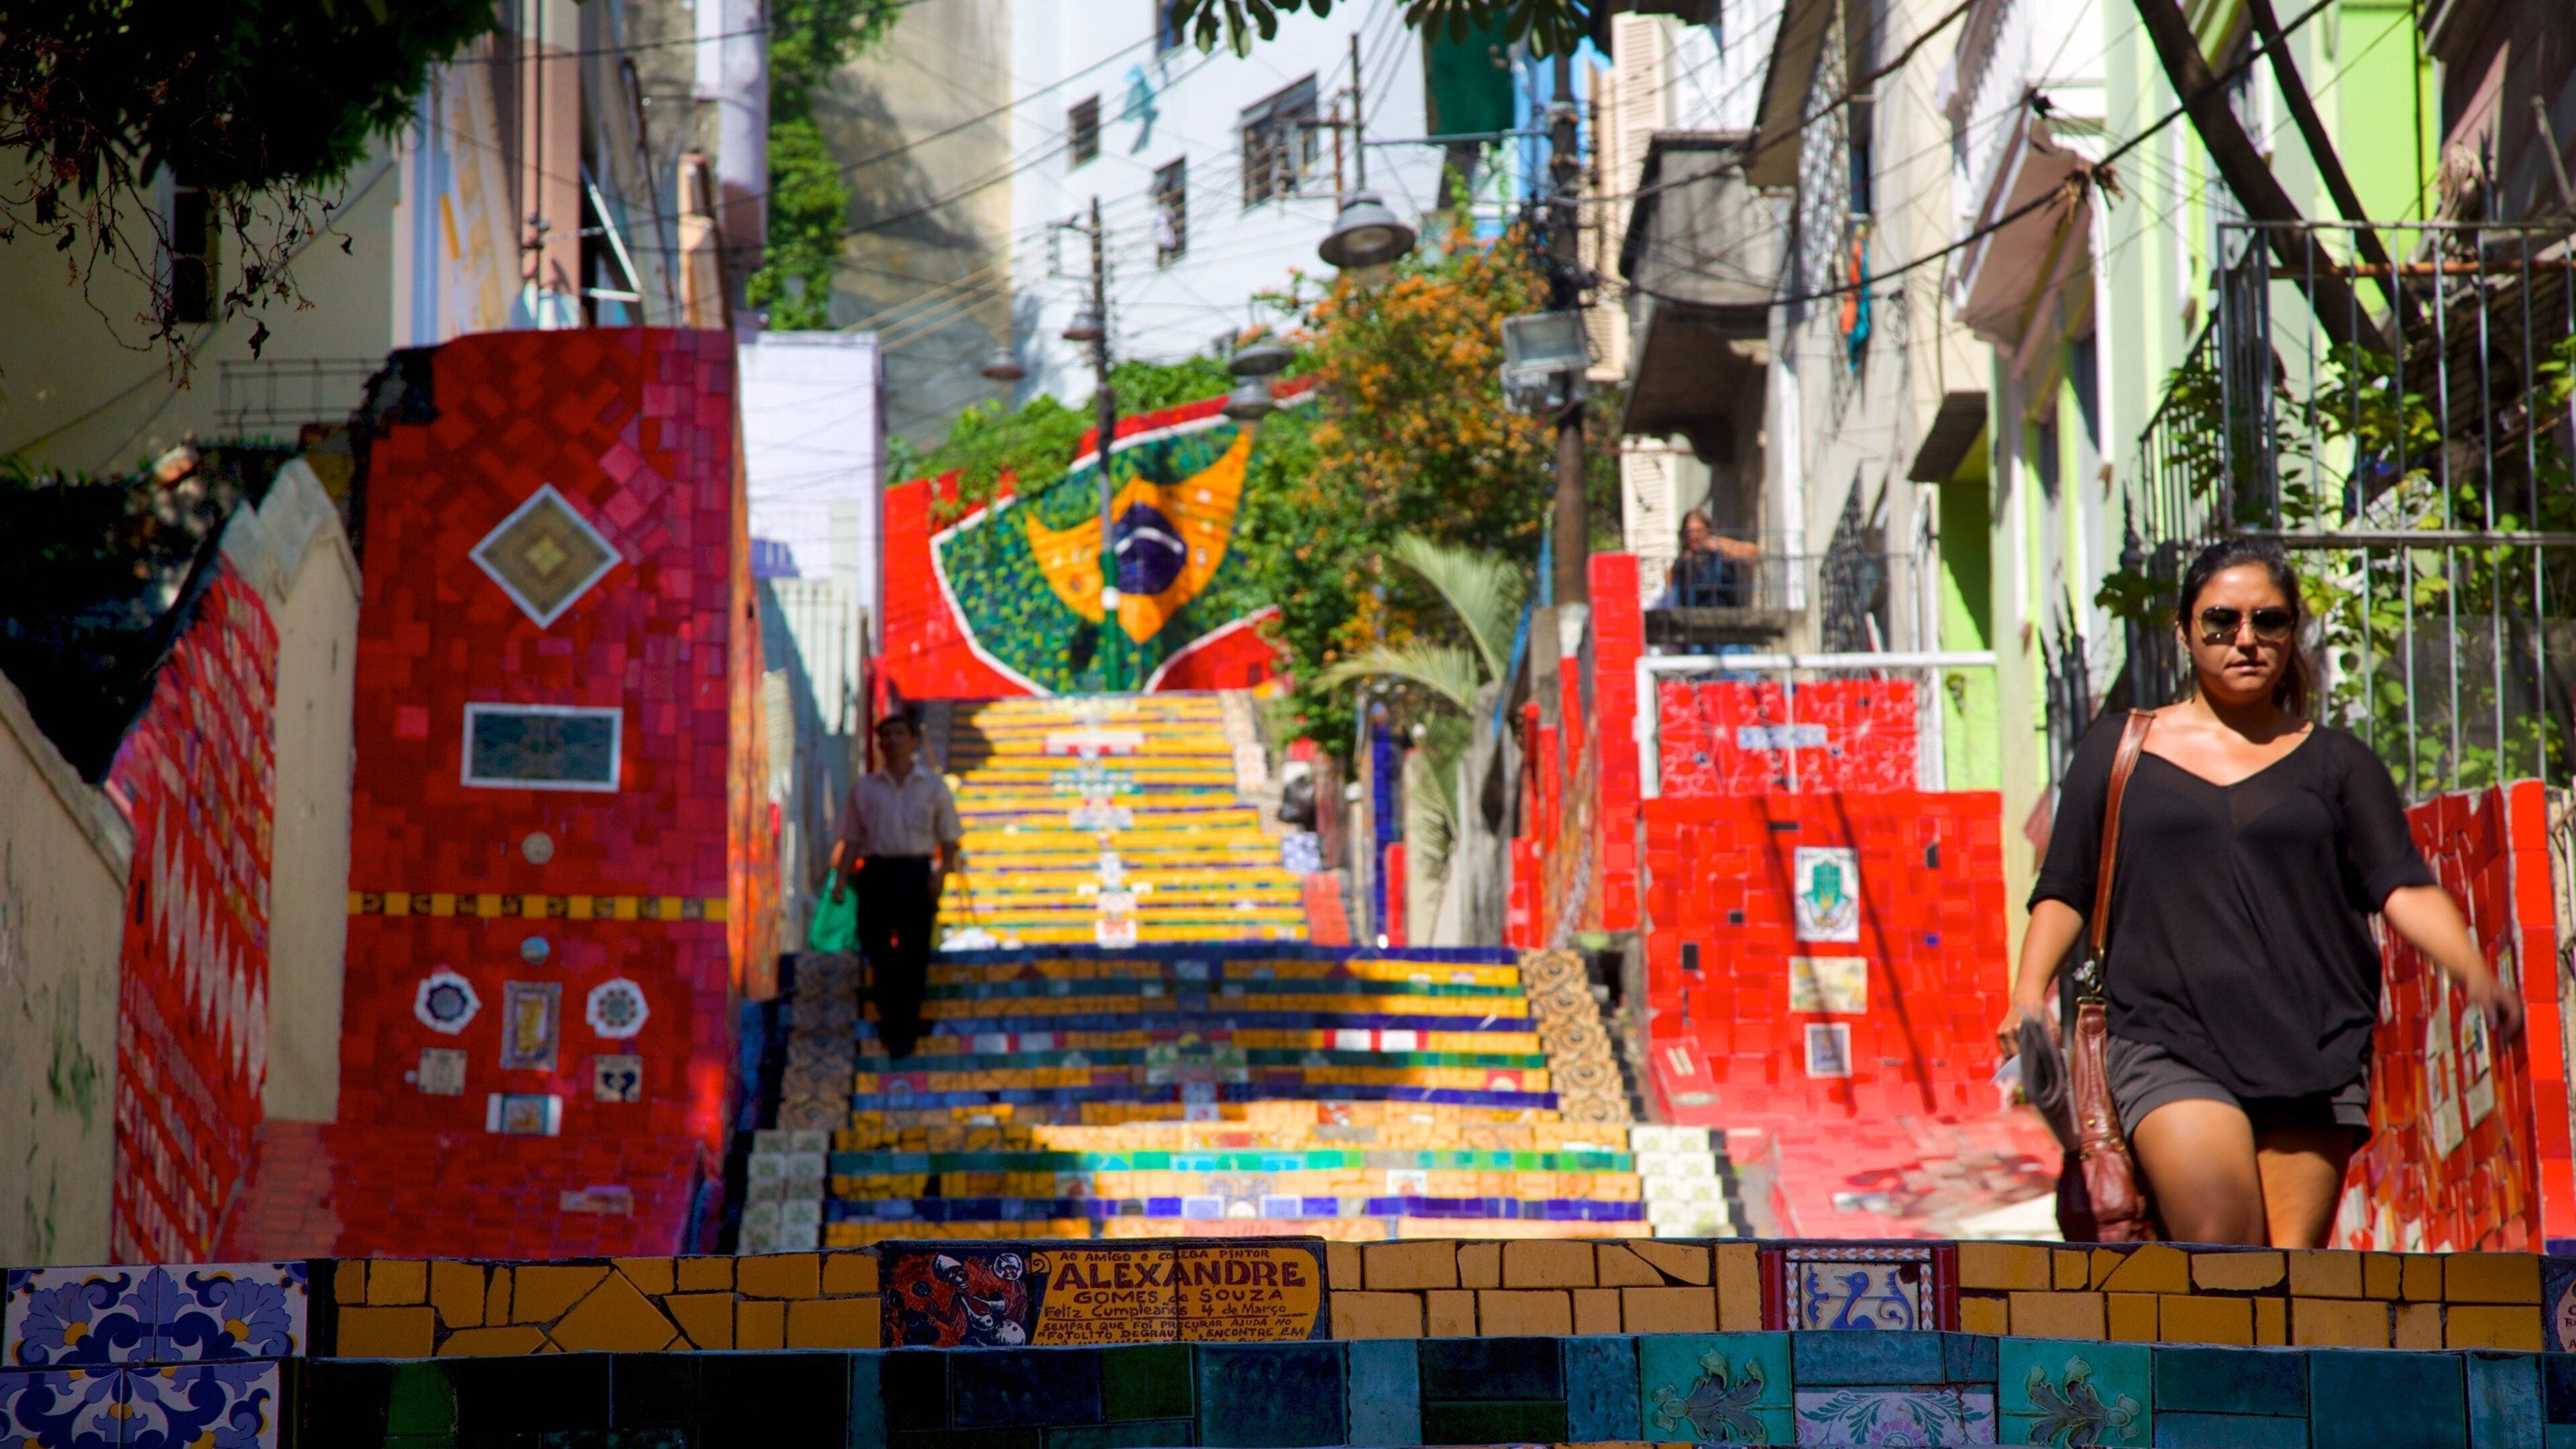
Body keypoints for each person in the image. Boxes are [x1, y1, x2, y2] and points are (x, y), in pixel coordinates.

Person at [1998, 538, 2521, 1247]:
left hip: (2315, 1049)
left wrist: (2474, 974)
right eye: (2220, 621)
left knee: (2282, 1283)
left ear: (2293, 631)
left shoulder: (2339, 765)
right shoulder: (2119, 750)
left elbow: (2400, 885)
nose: (2244, 639)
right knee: (2222, 1241)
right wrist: (2029, 994)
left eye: (2268, 621)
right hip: (2166, 1037)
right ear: (2184, 632)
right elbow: (2064, 886)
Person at [837, 714, 963, 1060]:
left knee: (913, 953)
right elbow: (851, 838)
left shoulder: (934, 787)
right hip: (877, 874)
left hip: (915, 874)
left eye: (899, 734)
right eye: (886, 735)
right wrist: (840, 882)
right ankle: (886, 1022)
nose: (893, 741)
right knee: (879, 951)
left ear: (912, 741)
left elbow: (951, 838)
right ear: (879, 745)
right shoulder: (864, 790)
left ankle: (906, 1031)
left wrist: (940, 876)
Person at [1658, 508, 1763, 609]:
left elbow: (1754, 554)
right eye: (1689, 532)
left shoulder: (1720, 551)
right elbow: (1669, 593)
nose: (1693, 537)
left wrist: (1720, 545)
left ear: (1708, 531)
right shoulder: (1682, 564)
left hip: (1726, 610)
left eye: (1698, 531)